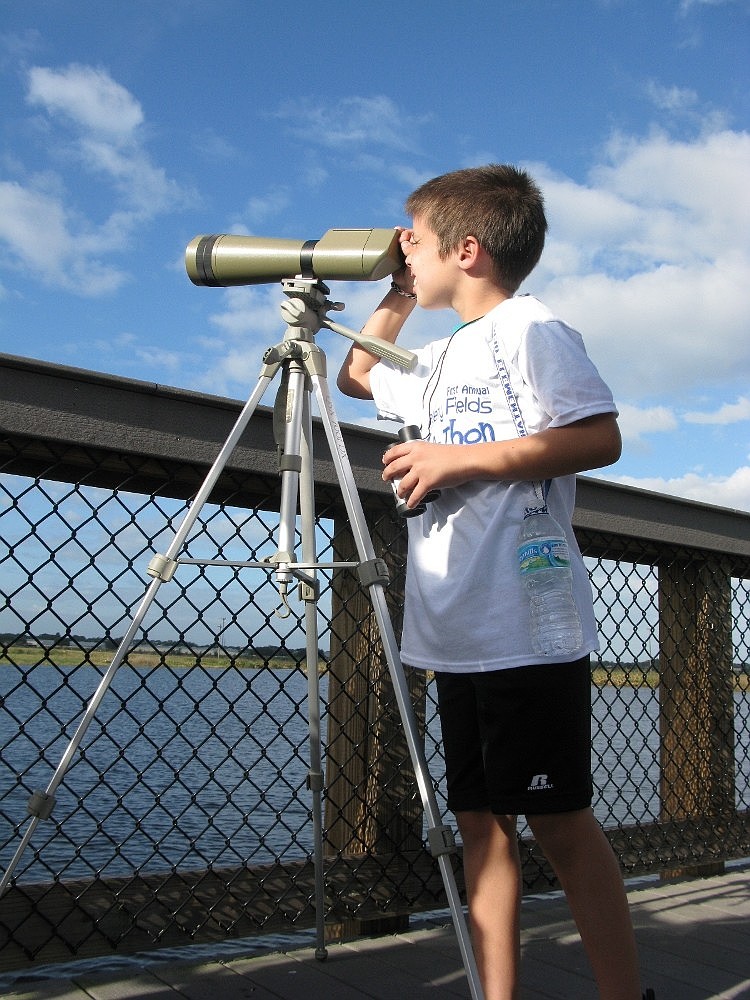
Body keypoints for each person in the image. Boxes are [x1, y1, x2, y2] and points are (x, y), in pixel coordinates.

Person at [337, 165, 650, 1000]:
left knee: (557, 819)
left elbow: (599, 435)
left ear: (467, 250)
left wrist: (458, 458)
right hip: (458, 627)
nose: (406, 248)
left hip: (527, 619)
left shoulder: (530, 329)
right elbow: (357, 377)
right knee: (479, 821)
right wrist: (399, 292)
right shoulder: (436, 355)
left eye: (418, 238)